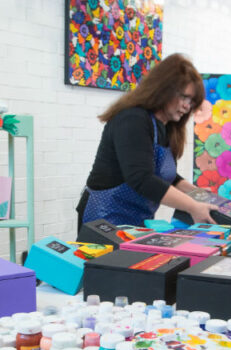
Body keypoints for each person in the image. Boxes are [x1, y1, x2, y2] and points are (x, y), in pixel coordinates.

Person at [77, 53, 215, 229]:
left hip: (135, 219)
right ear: (164, 88)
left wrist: (195, 192)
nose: (187, 106)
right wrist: (192, 206)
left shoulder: (165, 127)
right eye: (184, 97)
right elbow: (141, 178)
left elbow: (164, 176)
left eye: (191, 101)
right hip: (104, 217)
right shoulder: (132, 119)